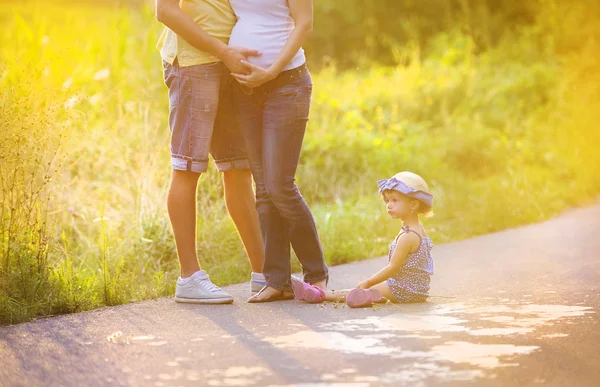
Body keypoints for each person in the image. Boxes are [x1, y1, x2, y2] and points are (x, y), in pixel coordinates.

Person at [155, 0, 266, 303]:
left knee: (238, 168)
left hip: (229, 64)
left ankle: (264, 274)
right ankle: (189, 277)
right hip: (194, 64)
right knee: (187, 166)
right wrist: (223, 51)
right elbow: (164, 10)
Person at [228, 0, 329, 302]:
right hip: (244, 90)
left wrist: (271, 71)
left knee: (279, 186)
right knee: (263, 189)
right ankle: (277, 280)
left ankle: (316, 274)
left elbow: (304, 24)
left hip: (287, 85)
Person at [323, 171, 434, 308]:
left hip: (404, 289)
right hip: (418, 289)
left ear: (413, 205)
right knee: (374, 288)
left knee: (362, 289)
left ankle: (324, 295)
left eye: (395, 200)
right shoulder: (418, 229)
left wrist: (369, 282)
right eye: (387, 200)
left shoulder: (408, 236)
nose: (389, 205)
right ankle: (370, 296)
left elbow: (392, 268)